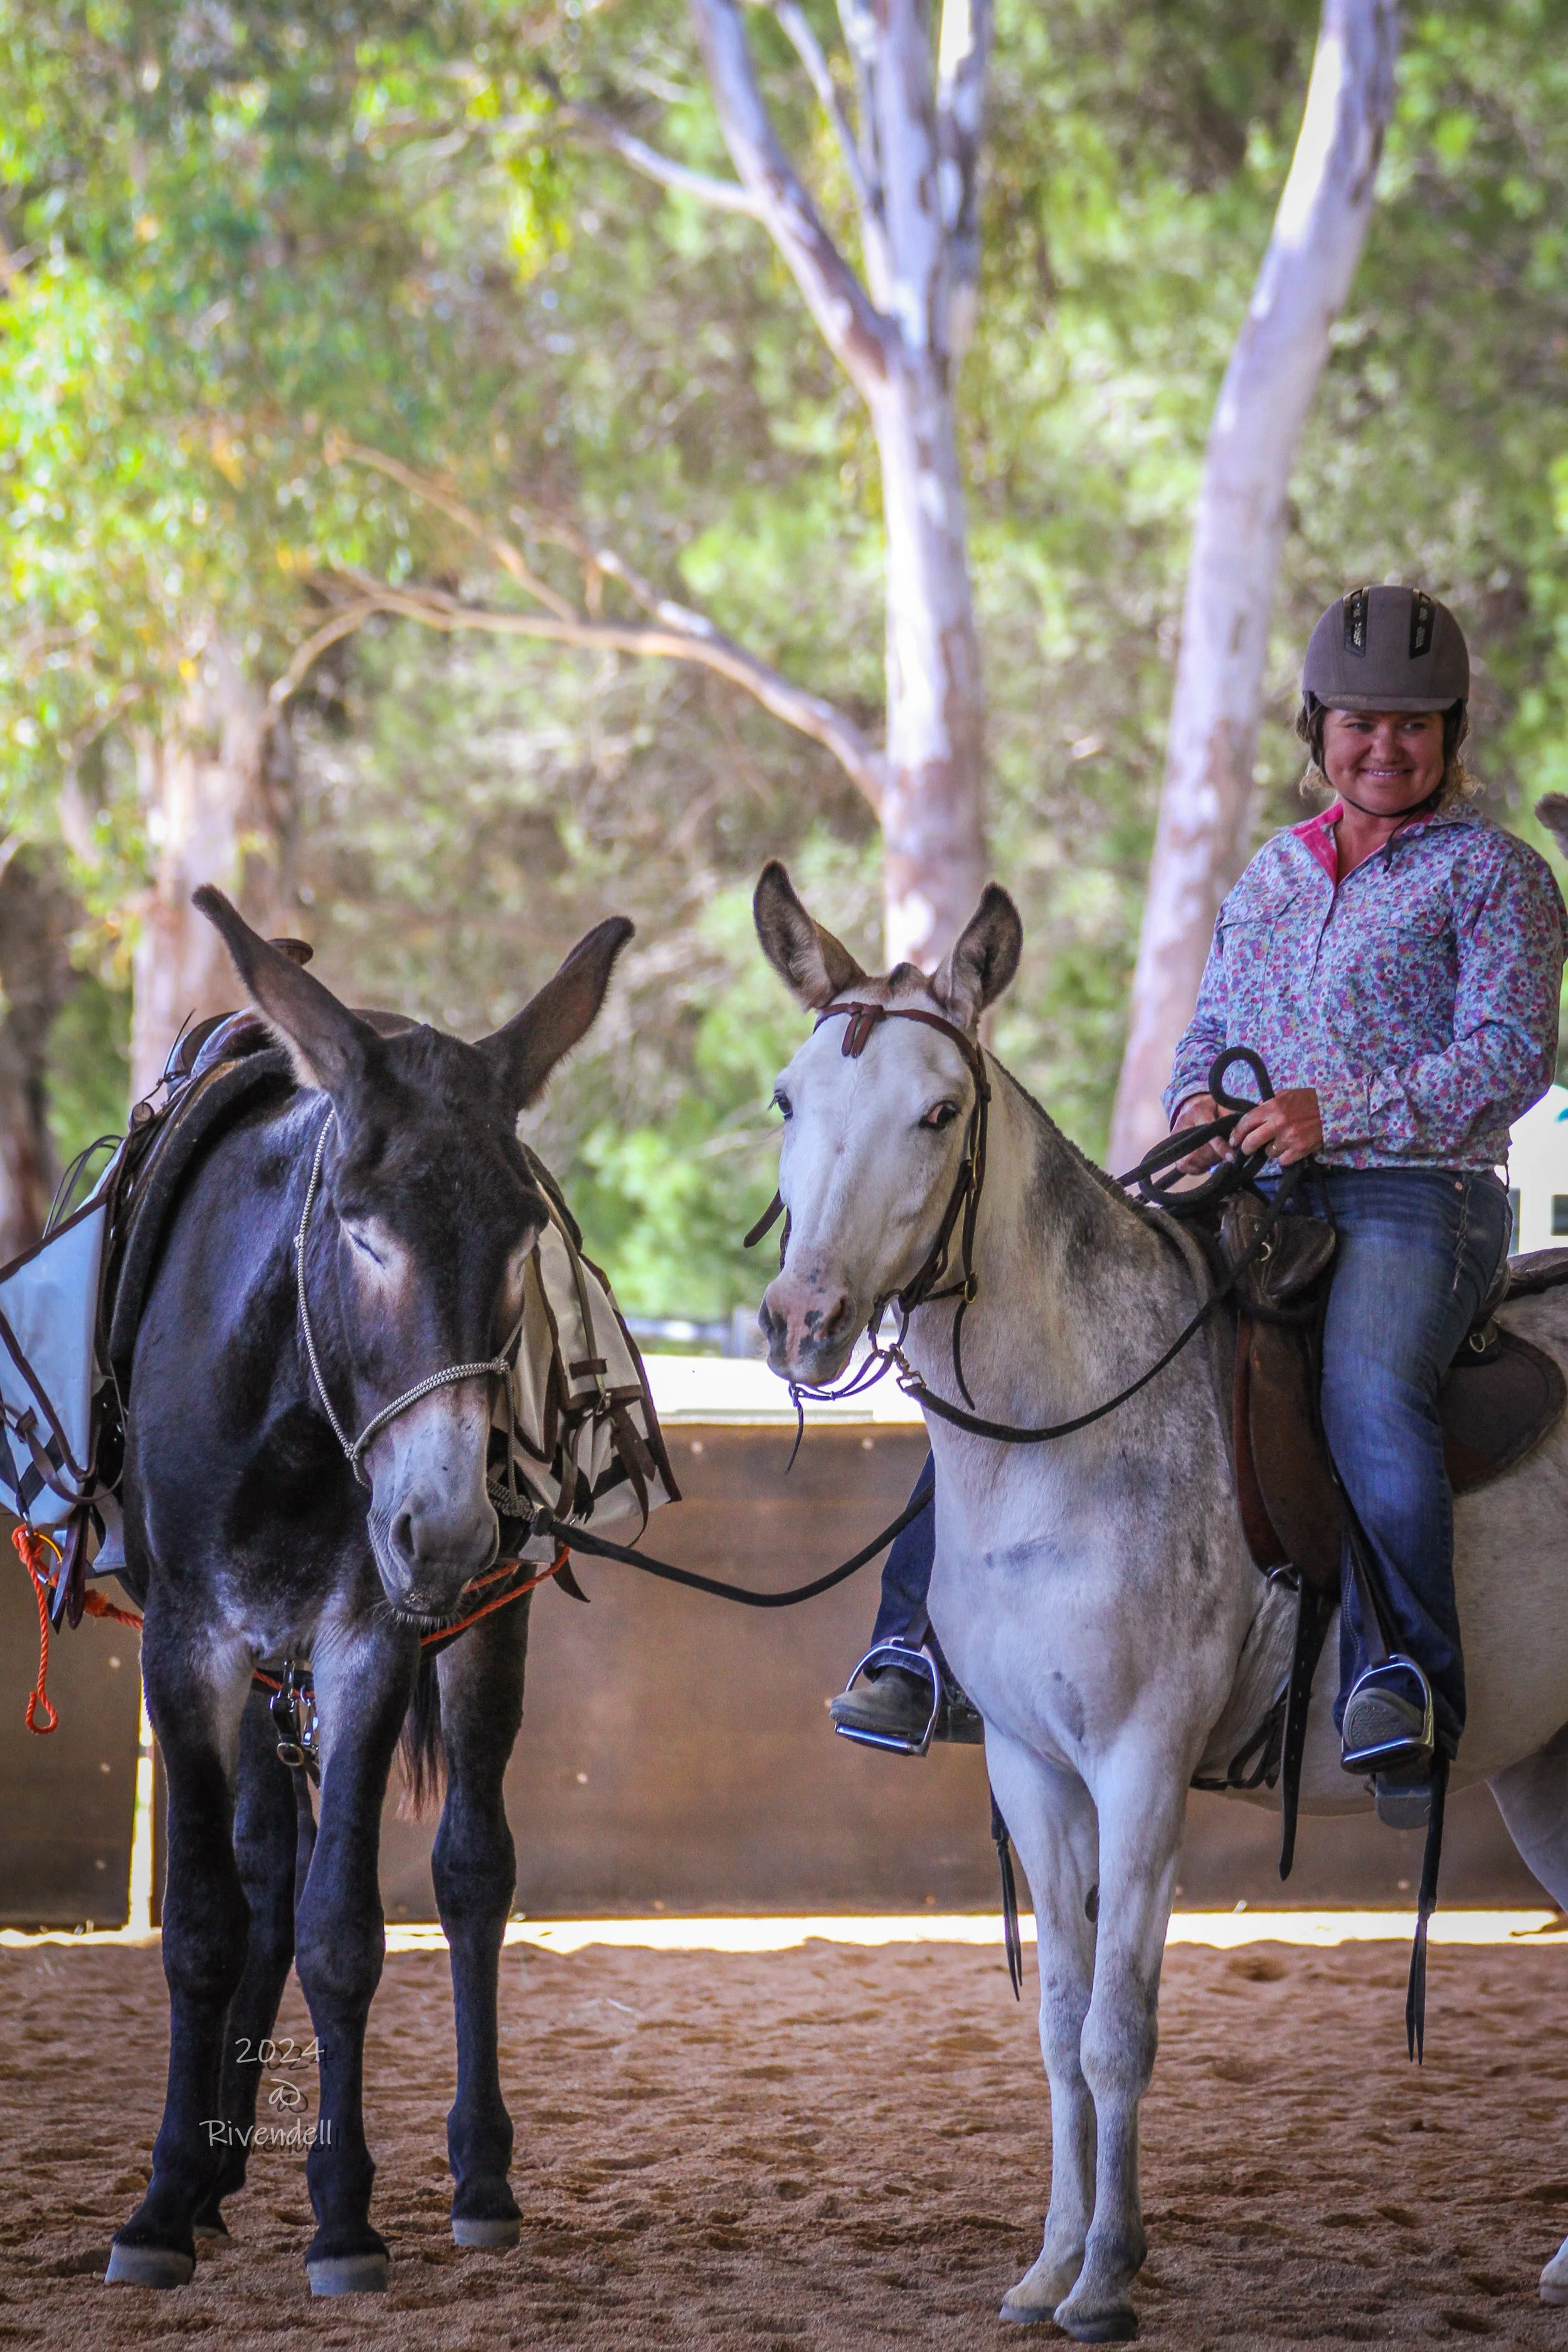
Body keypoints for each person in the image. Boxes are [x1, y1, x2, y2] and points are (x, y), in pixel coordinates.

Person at [831, 586, 1568, 1826]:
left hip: (1416, 1199)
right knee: (1026, 1357)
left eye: (1410, 724)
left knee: (1369, 1392)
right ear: (1314, 730)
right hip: (1251, 1187)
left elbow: (1509, 1058)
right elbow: (1213, 1029)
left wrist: (1340, 1110)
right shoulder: (1272, 875)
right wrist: (1189, 1103)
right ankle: (914, 1645)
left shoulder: (1496, 876)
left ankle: (1406, 1675)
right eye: (1356, 723)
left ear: (1448, 736)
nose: (1382, 746)